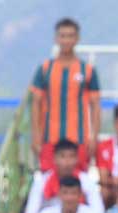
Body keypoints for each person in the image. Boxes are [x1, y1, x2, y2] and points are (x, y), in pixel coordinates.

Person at [30, 18, 100, 172]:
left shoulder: (87, 70)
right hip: (49, 139)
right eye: (62, 36)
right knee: (48, 182)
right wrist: (35, 136)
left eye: (70, 36)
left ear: (77, 38)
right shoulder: (45, 69)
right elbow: (35, 103)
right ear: (56, 38)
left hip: (79, 139)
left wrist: (94, 137)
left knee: (77, 185)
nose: (66, 40)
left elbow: (95, 105)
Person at [24, 138, 102, 213]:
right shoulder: (41, 182)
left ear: (77, 159)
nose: (67, 162)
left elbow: (98, 212)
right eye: (62, 156)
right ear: (54, 158)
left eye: (71, 156)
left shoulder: (86, 181)